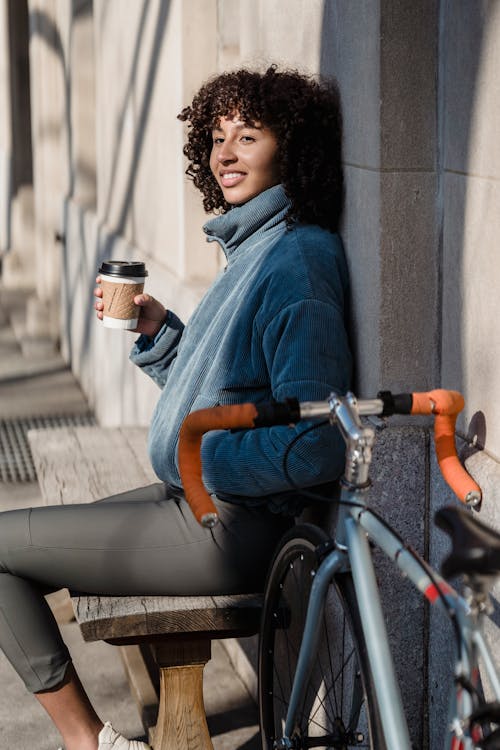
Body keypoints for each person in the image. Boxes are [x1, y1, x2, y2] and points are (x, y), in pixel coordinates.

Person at [0, 66, 352, 750]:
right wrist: (159, 332)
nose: (225, 154)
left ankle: (88, 742)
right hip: (194, 503)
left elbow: (318, 439)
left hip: (234, 531)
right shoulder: (255, 247)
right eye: (218, 138)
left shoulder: (299, 263)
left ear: (292, 148)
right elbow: (227, 397)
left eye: (247, 136)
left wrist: (205, 452)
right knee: (17, 544)